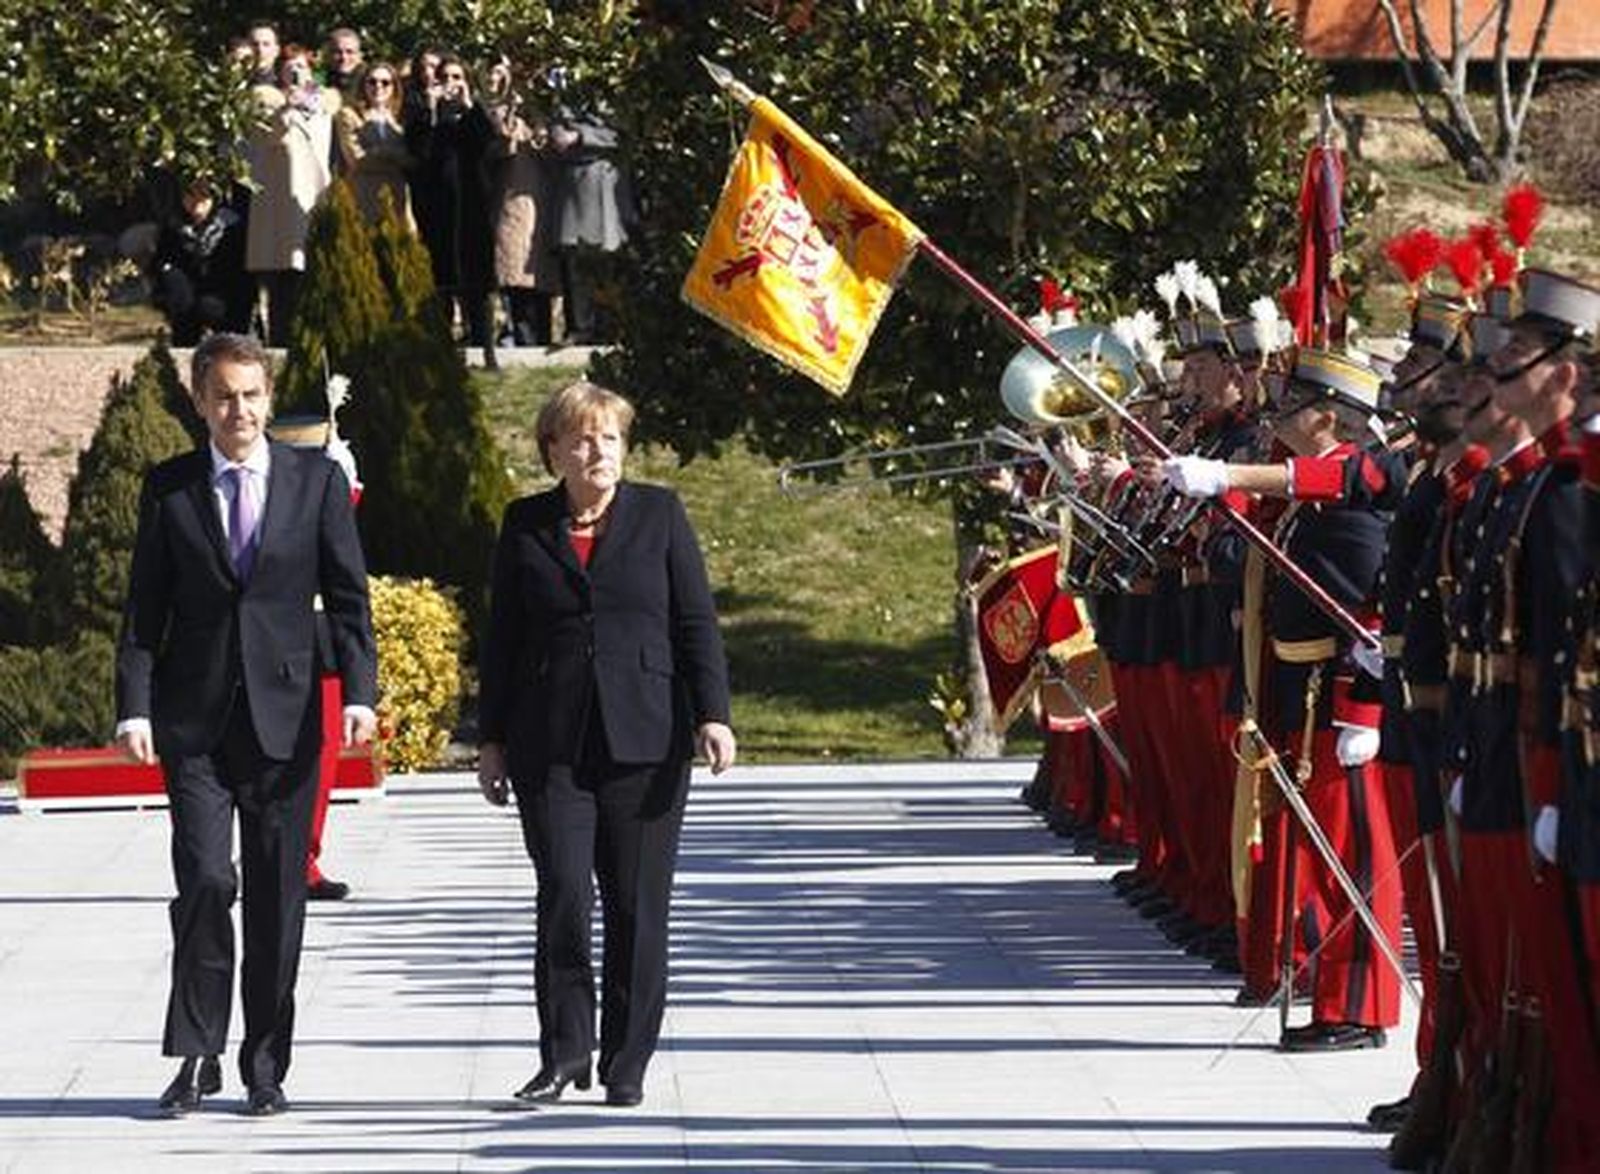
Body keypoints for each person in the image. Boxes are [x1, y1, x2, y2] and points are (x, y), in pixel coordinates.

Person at [115, 333, 378, 1117]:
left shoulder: (316, 482)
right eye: (223, 395)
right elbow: (143, 613)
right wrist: (134, 704)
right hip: (194, 721)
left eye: (252, 395)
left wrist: (359, 692)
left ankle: (265, 1065)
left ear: (269, 398)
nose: (240, 410)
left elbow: (350, 597)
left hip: (289, 720)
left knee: (273, 895)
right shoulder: (170, 489)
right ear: (199, 401)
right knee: (205, 880)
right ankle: (197, 1055)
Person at [477, 381, 735, 1109]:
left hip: (646, 739)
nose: (599, 452)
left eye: (611, 438)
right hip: (548, 743)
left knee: (635, 904)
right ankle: (563, 1054)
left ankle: (626, 1061)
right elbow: (502, 640)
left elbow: (696, 624)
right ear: (553, 450)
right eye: (583, 439)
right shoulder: (525, 524)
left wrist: (712, 714)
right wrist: (490, 737)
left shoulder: (660, 515)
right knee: (562, 893)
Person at [245, 45, 339, 346]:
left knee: (313, 276)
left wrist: (308, 98)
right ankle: (280, 346)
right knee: (283, 281)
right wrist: (288, 105)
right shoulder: (265, 99)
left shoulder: (322, 103)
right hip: (278, 204)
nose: (296, 72)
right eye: (290, 67)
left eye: (302, 66)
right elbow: (272, 131)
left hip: (313, 198)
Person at [148, 182, 252, 345]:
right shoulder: (173, 224)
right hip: (187, 295)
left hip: (223, 293)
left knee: (211, 308)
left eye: (204, 195)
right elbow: (162, 260)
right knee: (179, 293)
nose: (197, 201)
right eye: (190, 194)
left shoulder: (231, 225)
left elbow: (238, 270)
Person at [334, 62, 413, 226]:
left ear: (394, 87)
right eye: (372, 81)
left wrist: (377, 152)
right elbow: (355, 159)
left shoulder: (402, 117)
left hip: (398, 194)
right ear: (363, 85)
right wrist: (394, 156)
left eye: (385, 82)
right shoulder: (349, 115)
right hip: (364, 192)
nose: (378, 86)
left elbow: (412, 159)